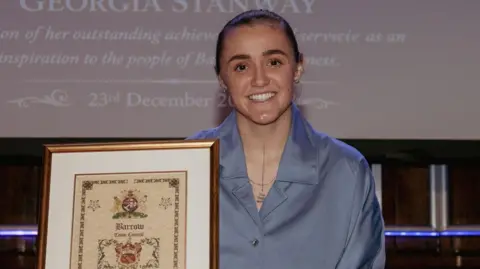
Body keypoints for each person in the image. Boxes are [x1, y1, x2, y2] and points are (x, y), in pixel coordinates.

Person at [187, 9, 385, 269]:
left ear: (298, 68)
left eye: (274, 62)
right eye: (241, 67)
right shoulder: (189, 164)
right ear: (222, 79)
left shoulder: (346, 170)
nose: (259, 80)